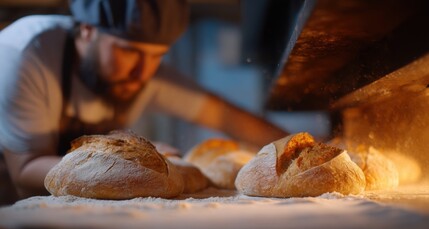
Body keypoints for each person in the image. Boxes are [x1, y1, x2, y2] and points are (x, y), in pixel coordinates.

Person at [0, 0, 288, 201]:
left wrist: (294, 147)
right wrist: (128, 165)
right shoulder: (24, 55)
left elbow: (224, 116)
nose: (143, 72)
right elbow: (25, 169)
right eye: (128, 51)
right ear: (87, 30)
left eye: (156, 56)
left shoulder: (139, 70)